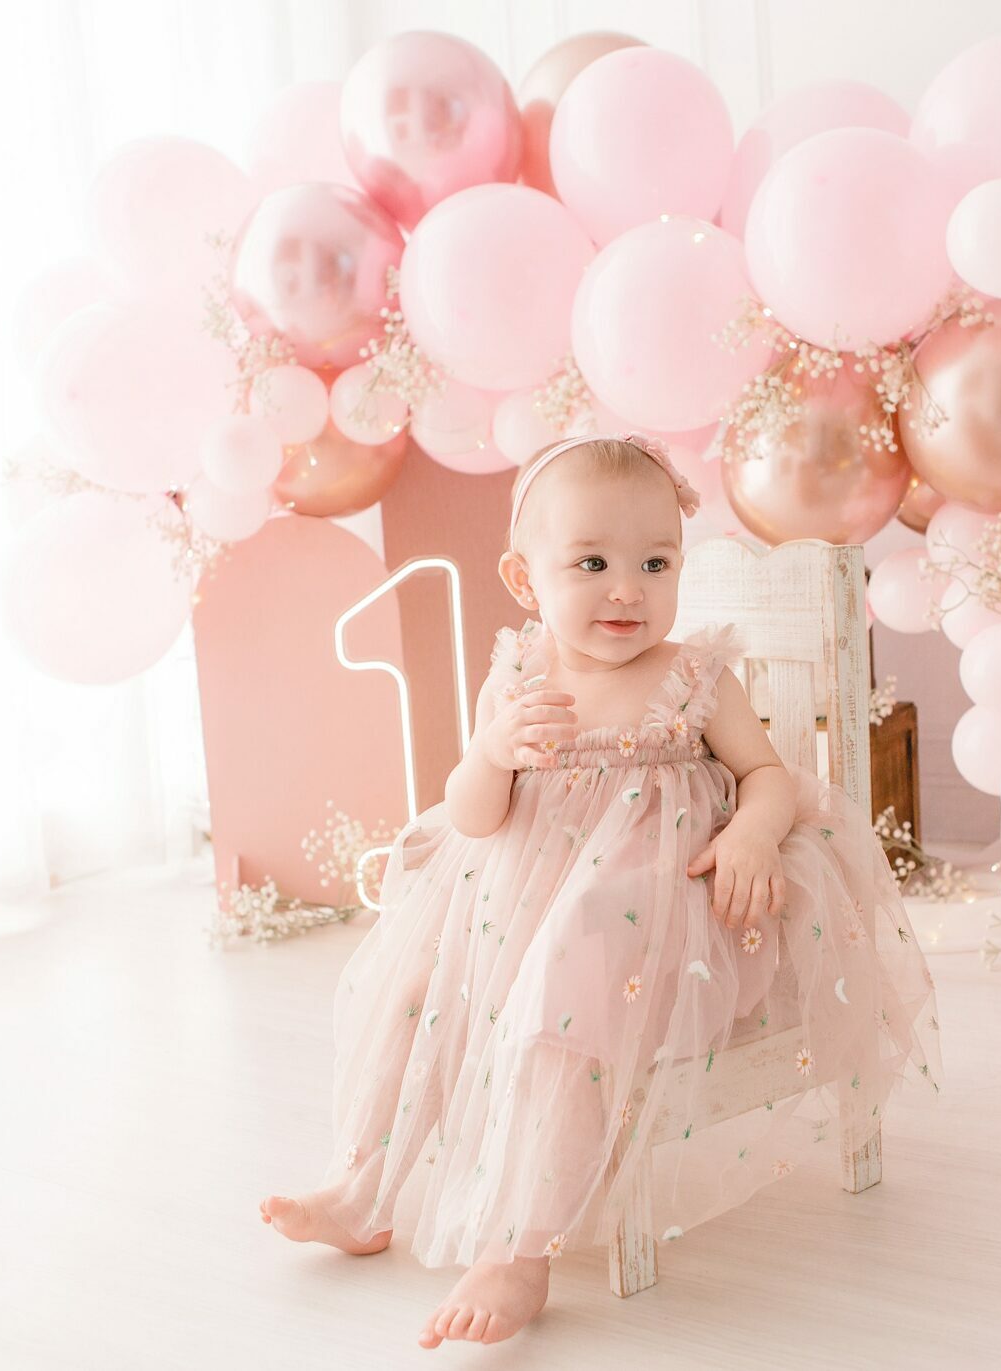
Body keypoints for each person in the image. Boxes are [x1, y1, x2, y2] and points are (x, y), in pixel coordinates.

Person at [258, 432, 943, 1348]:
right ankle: (361, 1190)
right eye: (593, 563)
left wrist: (751, 830)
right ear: (523, 578)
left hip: (657, 914)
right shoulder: (516, 680)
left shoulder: (694, 676)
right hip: (512, 903)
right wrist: (490, 752)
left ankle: (519, 1249)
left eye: (655, 563)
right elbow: (472, 817)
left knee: (566, 987)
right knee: (412, 984)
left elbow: (767, 773)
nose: (628, 589)